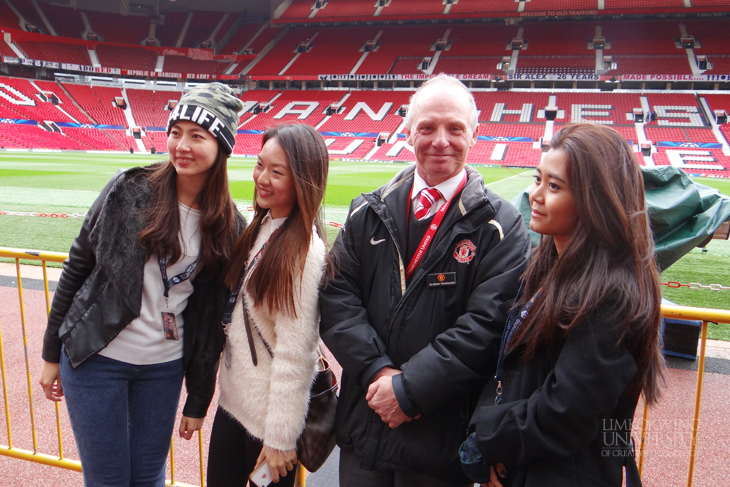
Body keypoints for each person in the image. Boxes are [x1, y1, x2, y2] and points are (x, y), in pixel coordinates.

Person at [318, 73, 531, 486]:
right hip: (367, 424)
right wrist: (380, 373)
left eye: (454, 128)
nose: (440, 140)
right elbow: (337, 298)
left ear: (474, 134)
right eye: (428, 127)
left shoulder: (502, 226)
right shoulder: (367, 211)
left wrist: (409, 392)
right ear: (408, 132)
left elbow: (486, 327)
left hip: (440, 437)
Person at [39, 82, 245, 486]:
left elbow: (208, 325)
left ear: (221, 146)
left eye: (197, 135)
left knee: (149, 478)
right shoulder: (129, 189)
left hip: (162, 369)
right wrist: (50, 353)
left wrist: (199, 397)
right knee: (109, 479)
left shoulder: (227, 225)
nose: (181, 145)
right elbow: (77, 267)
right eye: (175, 132)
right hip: (97, 359)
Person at [460, 123, 665, 487]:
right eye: (538, 179)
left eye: (553, 186)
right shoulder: (548, 266)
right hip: (530, 463)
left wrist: (488, 440)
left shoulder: (611, 293)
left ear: (595, 200)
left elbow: (566, 411)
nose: (535, 194)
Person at [207, 123, 330, 487]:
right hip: (234, 407)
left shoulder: (304, 253)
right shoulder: (264, 226)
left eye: (277, 172)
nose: (262, 177)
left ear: (303, 181)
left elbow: (296, 354)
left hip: (268, 428)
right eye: (260, 165)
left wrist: (279, 440)